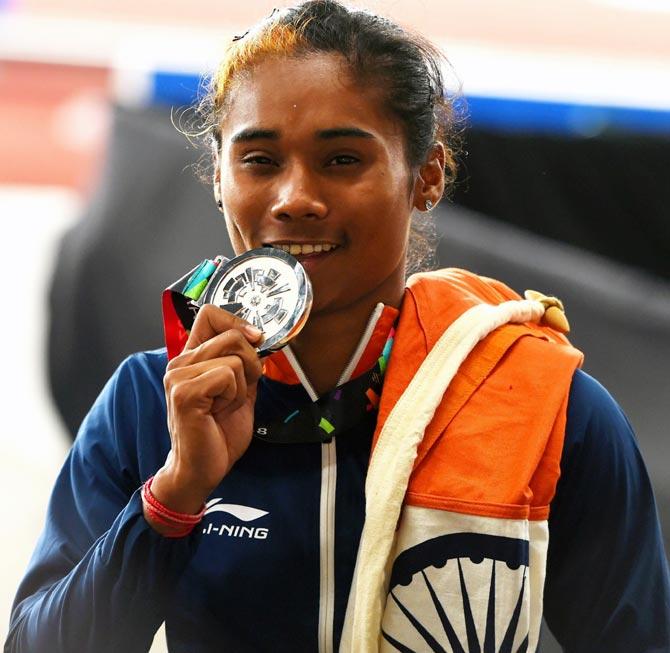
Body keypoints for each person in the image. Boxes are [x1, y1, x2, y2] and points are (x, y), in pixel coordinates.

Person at [6, 2, 670, 652]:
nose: (295, 197)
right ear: (217, 176)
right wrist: (175, 492)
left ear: (427, 177)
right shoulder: (152, 400)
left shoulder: (543, 404)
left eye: (342, 160)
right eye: (260, 160)